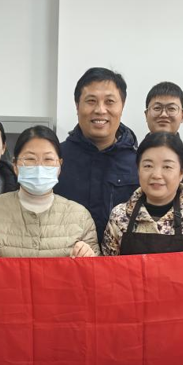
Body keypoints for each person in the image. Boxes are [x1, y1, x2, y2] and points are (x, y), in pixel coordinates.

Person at [0, 125, 98, 258]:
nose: (39, 167)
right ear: (15, 165)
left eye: (48, 159)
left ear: (59, 165)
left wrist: (88, 257)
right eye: (30, 159)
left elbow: (98, 268)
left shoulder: (80, 216)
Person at [102, 131, 183, 255]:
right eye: (148, 166)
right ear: (138, 170)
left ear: (181, 173)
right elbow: (108, 265)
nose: (156, 175)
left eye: (167, 167)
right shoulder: (119, 216)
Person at [54, 67, 138, 242]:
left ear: (122, 106)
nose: (100, 110)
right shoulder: (55, 159)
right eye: (91, 101)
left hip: (122, 257)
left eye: (109, 101)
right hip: (65, 256)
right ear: (77, 106)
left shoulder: (139, 163)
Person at [143, 81, 183, 159]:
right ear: (146, 114)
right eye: (157, 108)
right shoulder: (131, 157)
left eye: (171, 108)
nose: (163, 114)